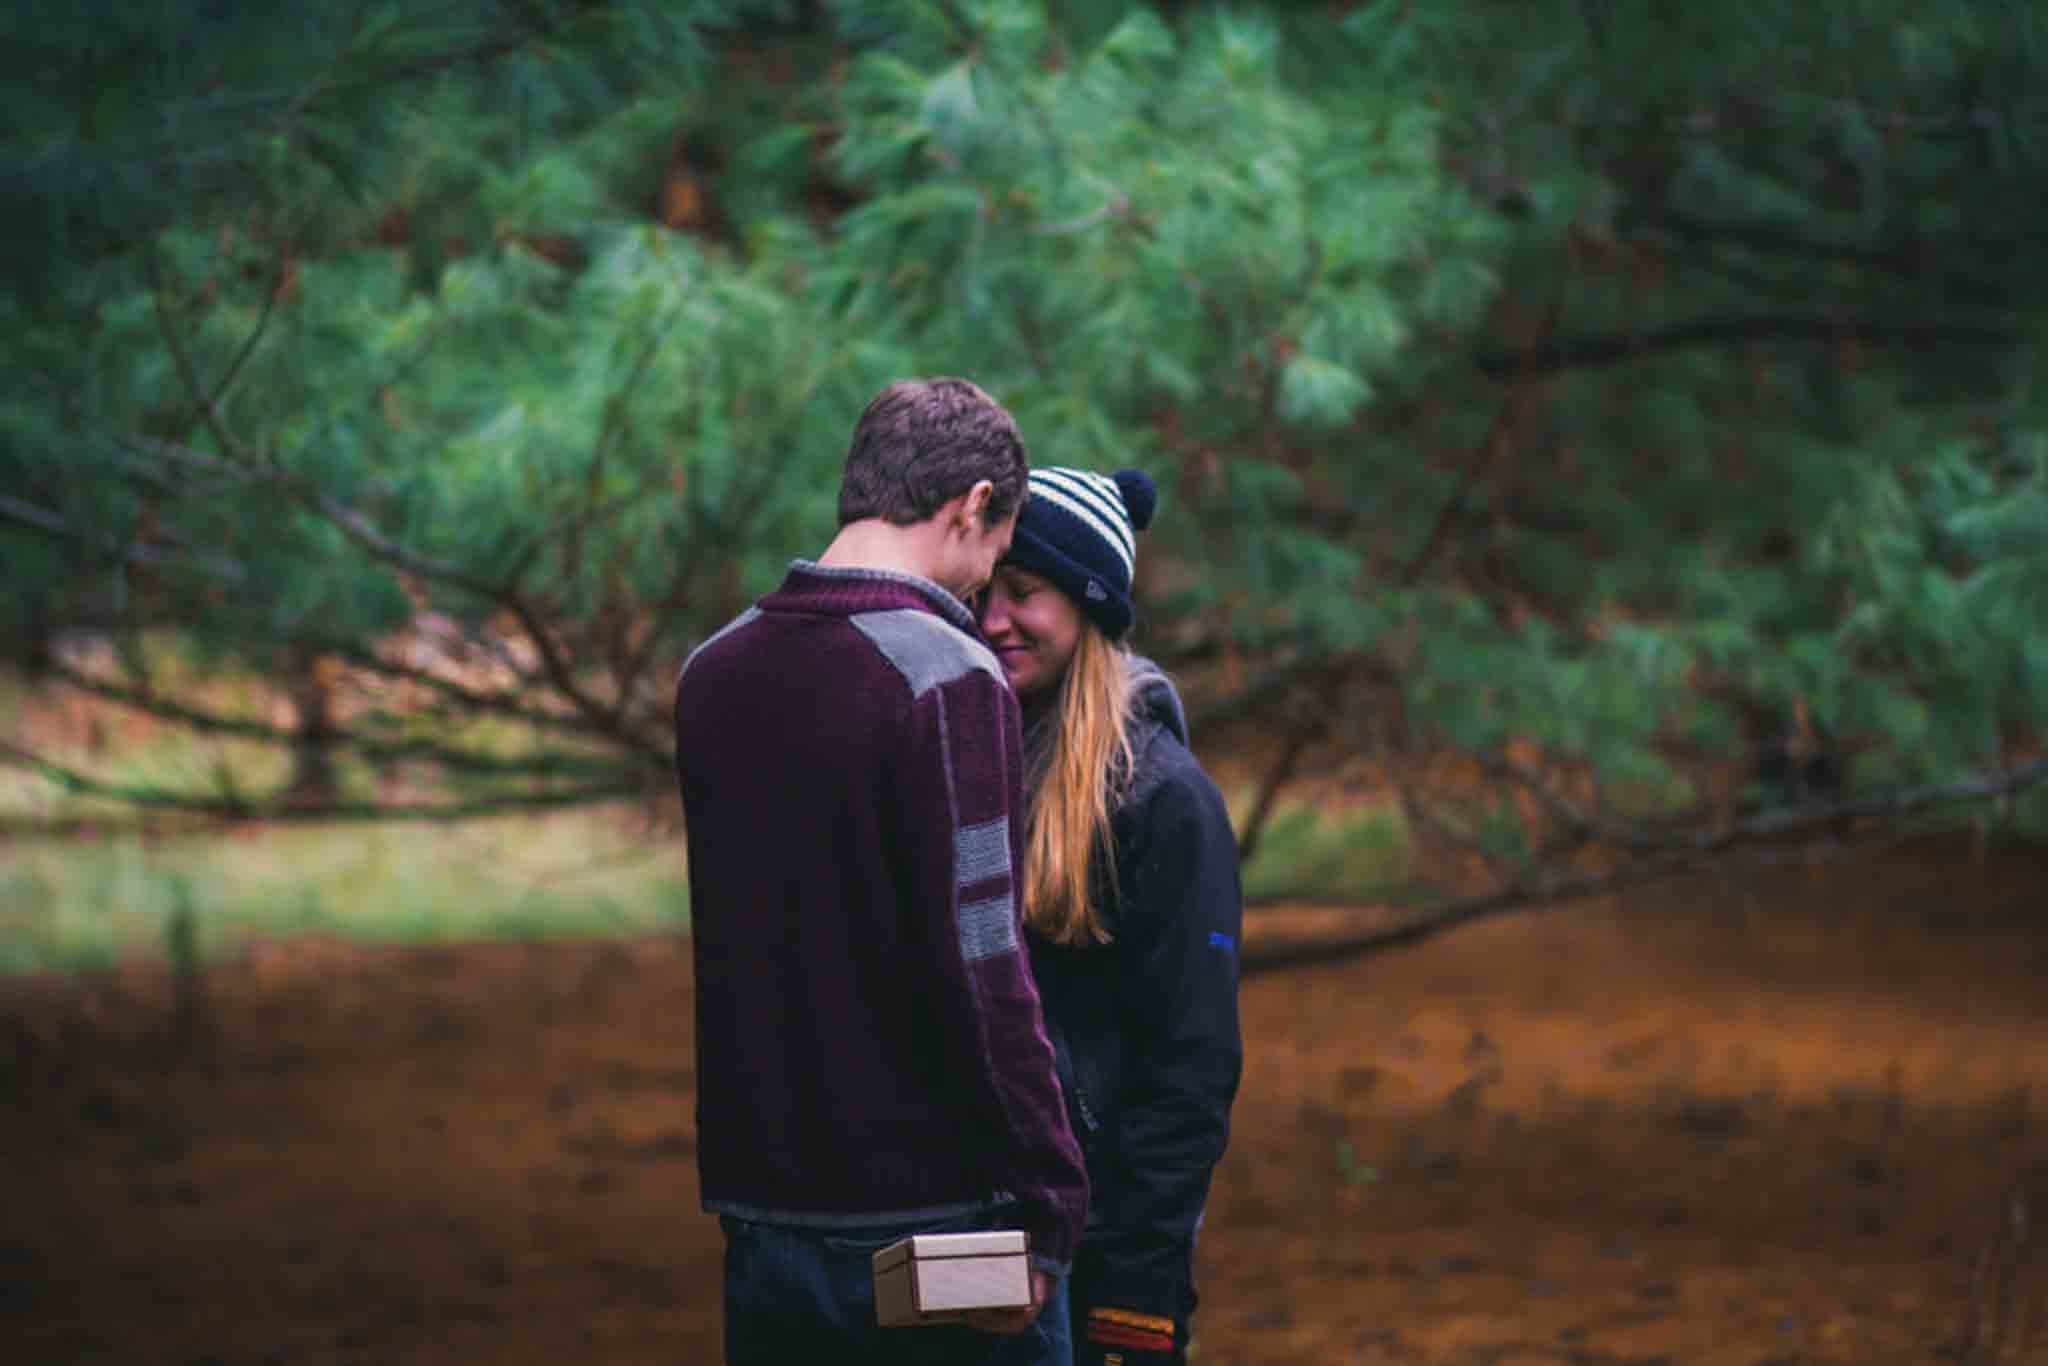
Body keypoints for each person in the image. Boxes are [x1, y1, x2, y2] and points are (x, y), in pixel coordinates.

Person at [673, 378, 1088, 1365]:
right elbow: (981, 960)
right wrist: (1050, 1192)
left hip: (760, 1221)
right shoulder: (945, 674)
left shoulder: (710, 672)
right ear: (973, 505)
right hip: (931, 1224)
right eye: (995, 550)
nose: (986, 587)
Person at [976, 466, 1244, 1366]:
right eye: (982, 592)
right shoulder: (962, 767)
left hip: (1103, 1264)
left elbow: (1191, 1071)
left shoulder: (1165, 802)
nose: (992, 619)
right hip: (976, 1244)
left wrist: (1134, 1301)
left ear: (1091, 609)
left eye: (1025, 593)